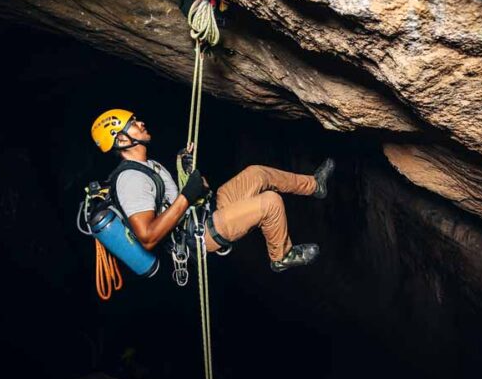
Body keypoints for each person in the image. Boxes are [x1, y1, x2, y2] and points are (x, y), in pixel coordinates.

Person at [90, 108, 334, 272]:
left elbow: (182, 196)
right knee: (270, 202)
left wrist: (185, 169)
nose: (140, 123)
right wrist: (189, 194)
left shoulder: (148, 166)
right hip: (196, 237)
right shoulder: (130, 180)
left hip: (203, 214)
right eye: (132, 124)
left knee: (257, 173)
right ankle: (282, 256)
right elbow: (148, 237)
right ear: (121, 140)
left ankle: (314, 185)